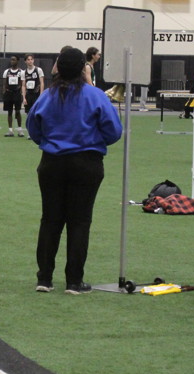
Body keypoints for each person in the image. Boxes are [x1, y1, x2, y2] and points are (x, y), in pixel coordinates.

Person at [26, 46, 122, 295]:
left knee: (50, 220)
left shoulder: (47, 96)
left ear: (58, 68)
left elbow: (33, 127)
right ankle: (74, 281)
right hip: (86, 163)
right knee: (80, 221)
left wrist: (50, 142)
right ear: (83, 68)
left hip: (52, 163)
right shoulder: (95, 95)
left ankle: (44, 278)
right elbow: (114, 131)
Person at [2, 55, 25, 137]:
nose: (12, 61)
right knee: (9, 112)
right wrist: (4, 92)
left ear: (17, 61)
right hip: (8, 93)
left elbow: (23, 83)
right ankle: (10, 130)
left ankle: (20, 130)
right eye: (11, 60)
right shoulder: (7, 72)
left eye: (14, 60)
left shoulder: (21, 72)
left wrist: (22, 93)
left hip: (17, 93)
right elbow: (4, 83)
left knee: (18, 111)